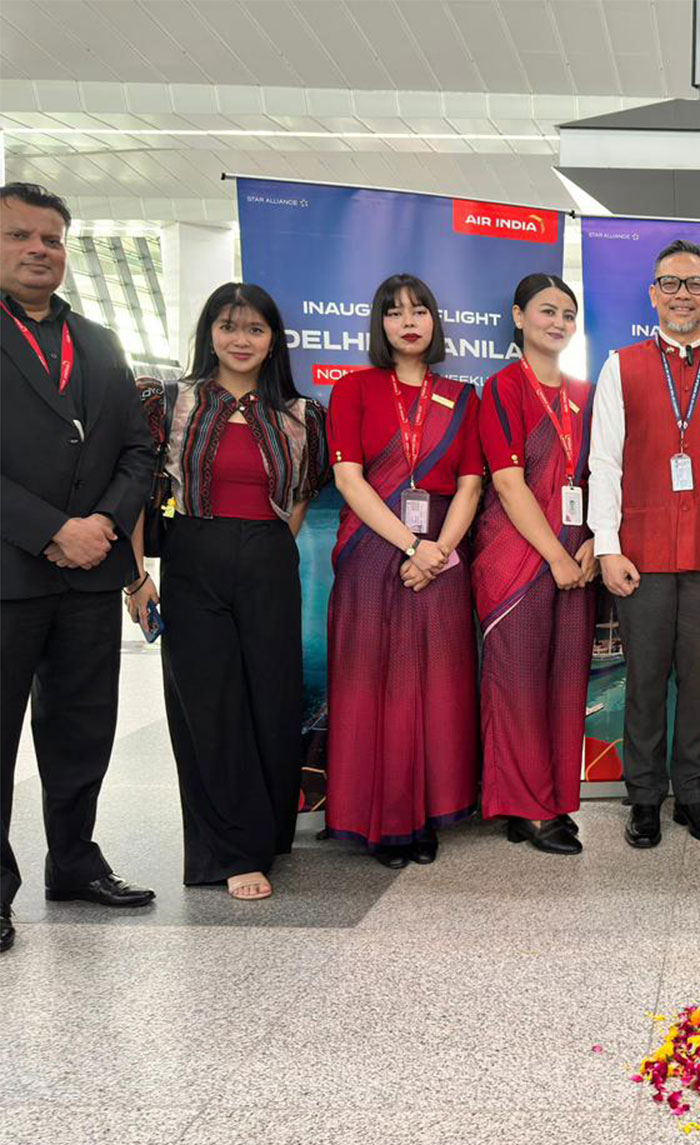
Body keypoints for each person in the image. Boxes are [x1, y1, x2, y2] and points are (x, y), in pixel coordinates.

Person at [125, 283, 329, 900]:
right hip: (193, 555)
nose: (241, 340)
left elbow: (299, 497)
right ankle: (228, 852)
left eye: (255, 329)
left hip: (269, 557)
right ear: (208, 333)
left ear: (274, 341)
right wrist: (135, 577)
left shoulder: (301, 413)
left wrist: (269, 546)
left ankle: (264, 836)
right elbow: (136, 490)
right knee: (208, 707)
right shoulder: (169, 401)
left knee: (272, 699)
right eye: (228, 326)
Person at [1, 181, 158, 950]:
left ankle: (74, 861)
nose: (39, 249)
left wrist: (99, 524)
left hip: (89, 572)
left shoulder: (98, 341)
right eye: (21, 236)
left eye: (52, 238)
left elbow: (137, 446)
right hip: (9, 571)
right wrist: (50, 527)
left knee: (81, 729)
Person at [589, 239, 700, 849]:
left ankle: (694, 797)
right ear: (652, 294)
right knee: (643, 681)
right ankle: (643, 799)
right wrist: (607, 545)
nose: (681, 295)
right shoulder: (622, 365)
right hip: (640, 553)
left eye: (693, 284)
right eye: (670, 283)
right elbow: (604, 462)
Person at [324, 274, 483, 869]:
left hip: (443, 552)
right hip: (372, 548)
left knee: (437, 686)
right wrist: (411, 546)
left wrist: (436, 549)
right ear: (380, 325)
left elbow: (471, 485)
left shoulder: (462, 395)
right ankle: (384, 820)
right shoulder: (354, 389)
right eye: (394, 313)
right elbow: (348, 479)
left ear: (435, 322)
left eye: (420, 311)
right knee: (375, 684)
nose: (408, 322)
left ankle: (430, 812)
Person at [474, 274, 595, 856]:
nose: (559, 323)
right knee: (518, 687)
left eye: (568, 315)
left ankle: (554, 799)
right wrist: (555, 554)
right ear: (519, 316)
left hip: (578, 560)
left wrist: (593, 540)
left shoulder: (586, 392)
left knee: (567, 686)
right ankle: (523, 809)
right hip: (518, 560)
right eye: (547, 311)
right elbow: (506, 480)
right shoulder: (501, 388)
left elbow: (601, 477)